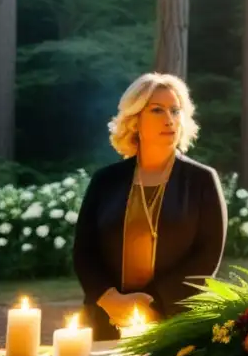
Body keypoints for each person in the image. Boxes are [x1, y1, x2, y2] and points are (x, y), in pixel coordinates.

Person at [72, 73, 227, 340]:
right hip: (106, 320)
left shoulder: (202, 180)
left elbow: (206, 257)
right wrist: (110, 300)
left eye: (175, 110)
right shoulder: (105, 180)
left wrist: (152, 304)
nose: (169, 119)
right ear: (135, 121)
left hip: (176, 321)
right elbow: (84, 252)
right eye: (157, 110)